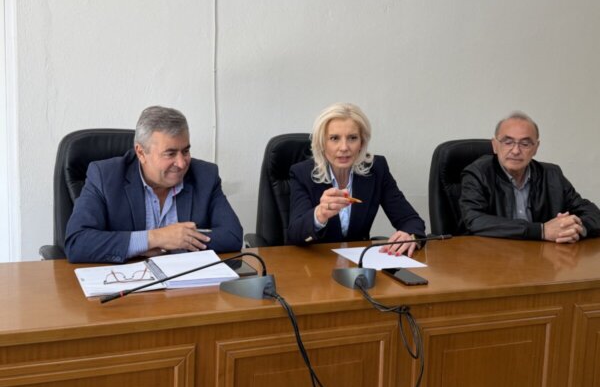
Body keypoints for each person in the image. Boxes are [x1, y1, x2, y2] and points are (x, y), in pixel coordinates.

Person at [65, 106, 243, 263]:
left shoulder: (205, 175)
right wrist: (154, 238)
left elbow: (232, 236)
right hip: (129, 283)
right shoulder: (105, 176)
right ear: (141, 153)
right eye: (170, 153)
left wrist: (177, 241)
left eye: (185, 151)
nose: (181, 163)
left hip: (186, 285)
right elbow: (77, 243)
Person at [287, 103, 426, 257]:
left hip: (359, 264)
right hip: (315, 263)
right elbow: (294, 235)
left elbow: (411, 220)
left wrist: (410, 235)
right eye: (334, 138)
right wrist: (319, 214)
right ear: (322, 143)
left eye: (352, 138)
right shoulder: (302, 174)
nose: (344, 147)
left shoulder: (376, 170)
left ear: (362, 142)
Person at [460, 111, 600, 242]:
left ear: (536, 148)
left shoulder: (552, 175)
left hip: (541, 255)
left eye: (525, 144)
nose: (516, 151)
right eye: (508, 142)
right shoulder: (478, 173)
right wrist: (541, 231)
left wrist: (575, 229)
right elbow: (474, 220)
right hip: (492, 254)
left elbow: (593, 214)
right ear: (495, 145)